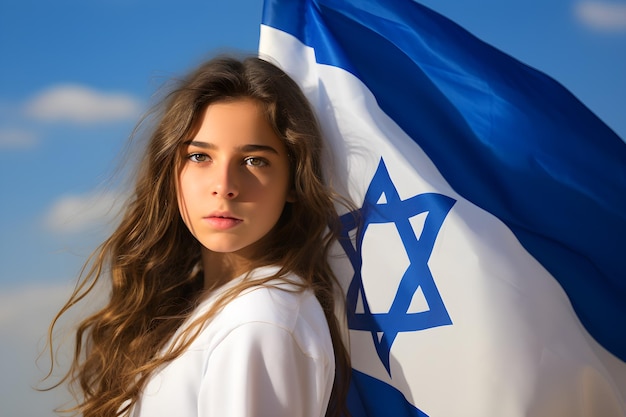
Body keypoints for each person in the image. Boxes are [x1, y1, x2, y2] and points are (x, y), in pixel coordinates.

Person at [44, 56, 351, 417]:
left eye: (254, 160)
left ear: (294, 182)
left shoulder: (258, 320)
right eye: (199, 156)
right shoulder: (204, 305)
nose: (224, 187)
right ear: (170, 171)